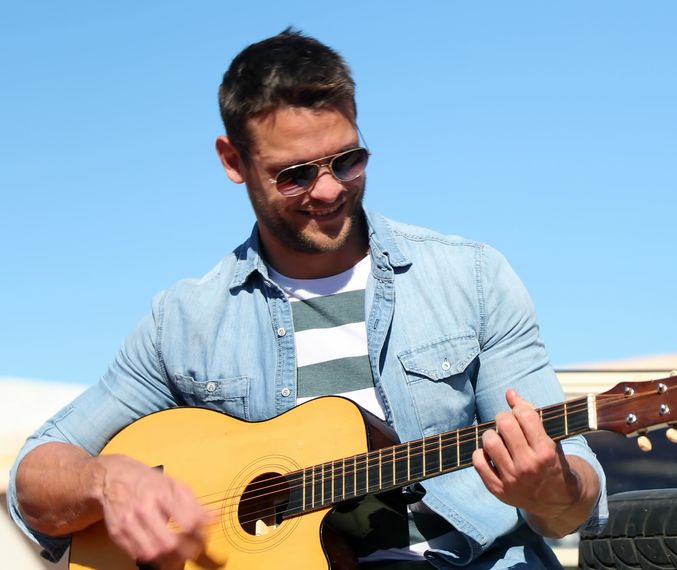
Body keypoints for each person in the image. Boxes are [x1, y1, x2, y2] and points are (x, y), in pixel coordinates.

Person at [8, 28, 606, 569]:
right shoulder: (185, 322)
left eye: (348, 160)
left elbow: (572, 507)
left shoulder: (472, 277)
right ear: (233, 161)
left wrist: (550, 488)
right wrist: (103, 481)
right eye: (294, 174)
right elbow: (32, 479)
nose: (327, 190)